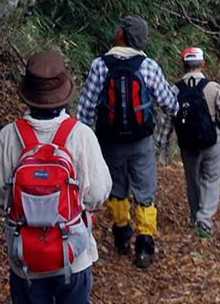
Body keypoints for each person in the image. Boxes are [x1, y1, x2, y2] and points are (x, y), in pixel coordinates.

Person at [0, 50, 112, 304]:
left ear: (28, 94)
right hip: (73, 254)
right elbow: (98, 194)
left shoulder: (9, 135)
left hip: (25, 257)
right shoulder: (80, 135)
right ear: (64, 93)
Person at [75, 15, 177, 268]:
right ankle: (144, 247)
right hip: (141, 141)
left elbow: (85, 109)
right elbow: (169, 104)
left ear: (121, 35)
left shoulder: (100, 65)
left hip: (109, 141)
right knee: (145, 192)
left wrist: (85, 142)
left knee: (116, 189)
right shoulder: (148, 66)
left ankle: (122, 235)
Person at [155, 46, 220, 238]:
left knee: (192, 180)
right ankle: (204, 221)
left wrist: (163, 145)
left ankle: (195, 216)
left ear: (183, 65)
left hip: (187, 142)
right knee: (211, 179)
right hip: (212, 140)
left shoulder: (174, 89)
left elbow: (167, 119)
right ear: (202, 64)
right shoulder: (213, 87)